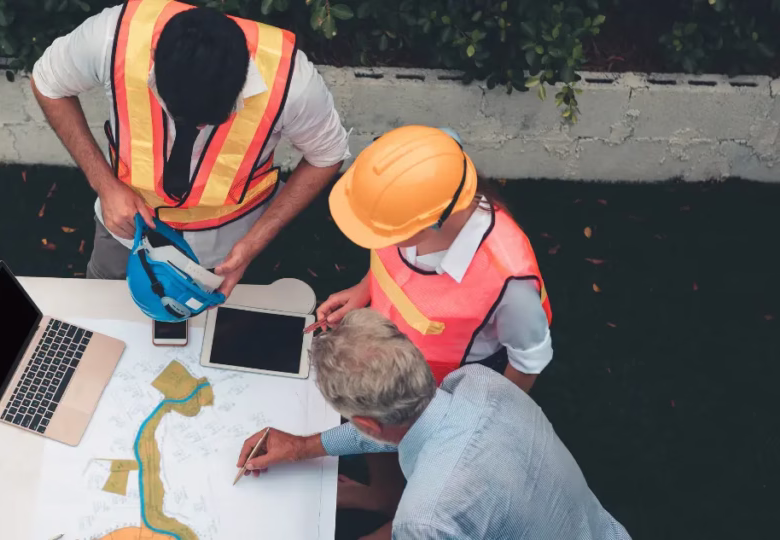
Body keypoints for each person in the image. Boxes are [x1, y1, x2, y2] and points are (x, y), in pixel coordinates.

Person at [31, 0, 349, 295]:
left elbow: (327, 155)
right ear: (154, 57)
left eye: (211, 119)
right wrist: (105, 186)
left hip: (231, 243)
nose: (195, 128)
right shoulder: (113, 38)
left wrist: (254, 243)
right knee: (103, 308)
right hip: (127, 232)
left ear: (245, 75)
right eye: (180, 116)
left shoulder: (293, 82)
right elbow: (47, 83)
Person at [237, 309, 630, 540]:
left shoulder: (426, 517)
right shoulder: (480, 382)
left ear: (365, 424)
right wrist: (304, 446)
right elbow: (412, 423)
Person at [316, 125, 552, 393]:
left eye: (382, 232)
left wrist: (487, 416)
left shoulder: (510, 282)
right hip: (396, 359)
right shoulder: (407, 208)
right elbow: (389, 262)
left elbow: (529, 361)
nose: (378, 239)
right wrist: (362, 290)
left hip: (449, 385)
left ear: (431, 223)